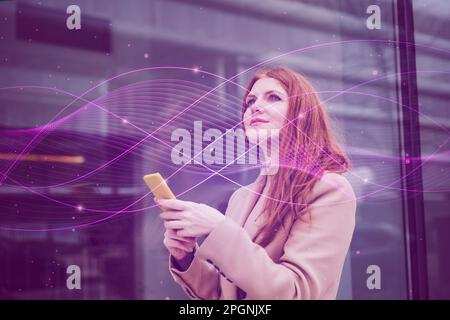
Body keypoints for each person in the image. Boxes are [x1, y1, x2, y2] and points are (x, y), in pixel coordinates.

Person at [156, 66, 357, 300]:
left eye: (273, 97)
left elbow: (296, 293)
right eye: (250, 101)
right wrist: (187, 256)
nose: (255, 107)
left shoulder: (329, 189)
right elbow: (227, 296)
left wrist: (218, 229)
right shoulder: (241, 197)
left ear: (303, 113)